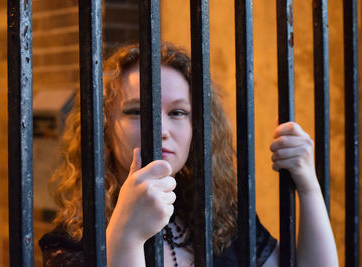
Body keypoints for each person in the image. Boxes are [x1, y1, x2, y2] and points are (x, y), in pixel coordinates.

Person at [39, 43, 338, 267]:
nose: (160, 129)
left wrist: (308, 185)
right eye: (136, 111)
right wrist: (125, 236)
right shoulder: (69, 243)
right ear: (104, 126)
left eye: (178, 112)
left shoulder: (220, 217)